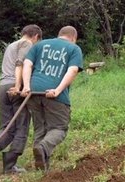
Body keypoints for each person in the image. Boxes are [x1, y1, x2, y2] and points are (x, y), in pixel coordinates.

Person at [0, 24, 42, 174]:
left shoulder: (11, 45)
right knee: (21, 127)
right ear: (35, 36)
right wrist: (18, 86)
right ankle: (10, 166)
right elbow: (20, 64)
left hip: (2, 87)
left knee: (7, 127)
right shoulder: (27, 44)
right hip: (15, 87)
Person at [21, 26, 83, 172]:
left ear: (59, 35)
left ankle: (41, 167)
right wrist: (57, 90)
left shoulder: (40, 45)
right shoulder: (74, 49)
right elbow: (73, 70)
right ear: (74, 37)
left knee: (40, 128)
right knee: (59, 128)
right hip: (54, 94)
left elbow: (27, 64)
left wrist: (27, 86)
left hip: (34, 92)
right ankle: (42, 149)